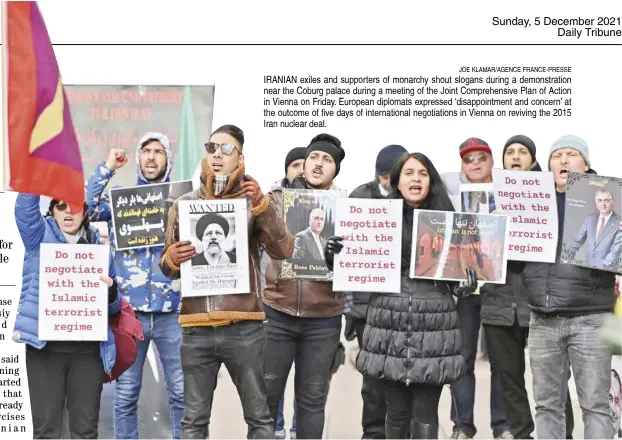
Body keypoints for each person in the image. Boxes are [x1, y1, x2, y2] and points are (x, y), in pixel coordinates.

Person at [325, 152, 477, 439]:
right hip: (387, 327)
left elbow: (456, 282)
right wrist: (335, 257)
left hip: (434, 329)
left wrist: (464, 286)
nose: (416, 178)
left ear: (430, 181)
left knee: (425, 414)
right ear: (397, 181)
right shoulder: (375, 220)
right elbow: (355, 267)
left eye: (422, 173)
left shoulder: (450, 223)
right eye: (409, 173)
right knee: (394, 413)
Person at [159, 124, 294, 439]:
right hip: (195, 329)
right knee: (193, 422)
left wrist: (263, 207)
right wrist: (172, 259)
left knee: (260, 418)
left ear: (240, 158)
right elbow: (166, 266)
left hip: (244, 327)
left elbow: (283, 250)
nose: (217, 155)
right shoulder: (184, 204)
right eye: (212, 148)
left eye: (226, 149)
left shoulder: (254, 202)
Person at [85, 132, 184, 439]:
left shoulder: (181, 201)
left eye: (158, 152)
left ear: (168, 159)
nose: (152, 157)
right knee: (126, 395)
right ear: (139, 158)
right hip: (129, 314)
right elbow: (85, 207)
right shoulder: (120, 199)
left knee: (181, 393)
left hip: (173, 312)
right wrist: (107, 167)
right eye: (146, 151)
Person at [482, 135, 575, 439]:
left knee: (552, 378)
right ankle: (521, 434)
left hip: (540, 302)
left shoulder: (553, 195)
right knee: (508, 378)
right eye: (510, 152)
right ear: (503, 161)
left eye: (523, 152)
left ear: (534, 161)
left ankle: (564, 433)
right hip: (498, 302)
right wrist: (489, 227)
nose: (516, 156)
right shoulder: (486, 197)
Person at [525, 134, 616, 439]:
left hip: (590, 318)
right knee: (547, 406)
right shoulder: (529, 204)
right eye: (556, 155)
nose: (563, 160)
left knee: (595, 406)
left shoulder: (610, 202)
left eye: (571, 154)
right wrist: (502, 230)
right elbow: (508, 263)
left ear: (587, 164)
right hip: (542, 319)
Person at [13, 194, 122, 439]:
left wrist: (111, 290)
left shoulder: (101, 251)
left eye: (75, 206)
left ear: (85, 212)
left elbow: (114, 308)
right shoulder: (38, 237)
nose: (68, 212)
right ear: (52, 211)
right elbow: (24, 211)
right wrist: (35, 176)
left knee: (85, 432)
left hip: (88, 354)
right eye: (61, 205)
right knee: (46, 432)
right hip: (44, 353)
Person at [262, 133, 345, 439]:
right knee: (267, 396)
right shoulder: (276, 200)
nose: (319, 164)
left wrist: (341, 259)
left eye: (327, 160)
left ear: (335, 170)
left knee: (312, 401)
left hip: (323, 319)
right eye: (314, 157)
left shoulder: (347, 208)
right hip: (277, 313)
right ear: (304, 163)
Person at [344, 144, 408, 439]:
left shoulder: (415, 199)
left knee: (402, 376)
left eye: (392, 176)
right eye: (383, 175)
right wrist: (350, 309)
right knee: (371, 378)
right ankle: (372, 432)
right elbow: (349, 256)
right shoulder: (359, 196)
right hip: (366, 307)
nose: (387, 182)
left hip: (402, 304)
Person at [450, 137, 512, 439]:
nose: (474, 163)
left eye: (481, 157)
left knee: (503, 361)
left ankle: (502, 425)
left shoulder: (510, 193)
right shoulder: (451, 196)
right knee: (462, 359)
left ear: (491, 161)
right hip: (465, 291)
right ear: (461, 166)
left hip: (501, 289)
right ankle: (462, 425)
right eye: (468, 159)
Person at [260, 147, 307, 440]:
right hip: (275, 304)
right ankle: (275, 431)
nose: (302, 169)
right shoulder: (268, 203)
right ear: (286, 170)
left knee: (308, 386)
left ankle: (297, 431)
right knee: (271, 382)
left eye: (307, 163)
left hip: (315, 309)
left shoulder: (327, 204)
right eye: (296, 164)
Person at [570, 188, 622, 267]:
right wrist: (569, 254)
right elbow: (578, 240)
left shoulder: (619, 222)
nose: (603, 204)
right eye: (600, 200)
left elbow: (615, 251)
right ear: (596, 202)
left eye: (606, 200)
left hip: (606, 270)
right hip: (587, 267)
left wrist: (602, 267)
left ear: (612, 201)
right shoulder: (590, 219)